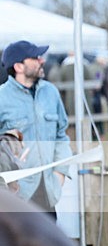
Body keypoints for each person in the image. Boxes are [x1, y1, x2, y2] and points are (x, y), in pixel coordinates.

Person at [0, 40, 72, 216]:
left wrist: (60, 174)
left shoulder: (51, 92)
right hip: (14, 197)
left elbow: (61, 136)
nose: (42, 61)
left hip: (47, 192)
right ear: (18, 66)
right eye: (35, 58)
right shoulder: (1, 97)